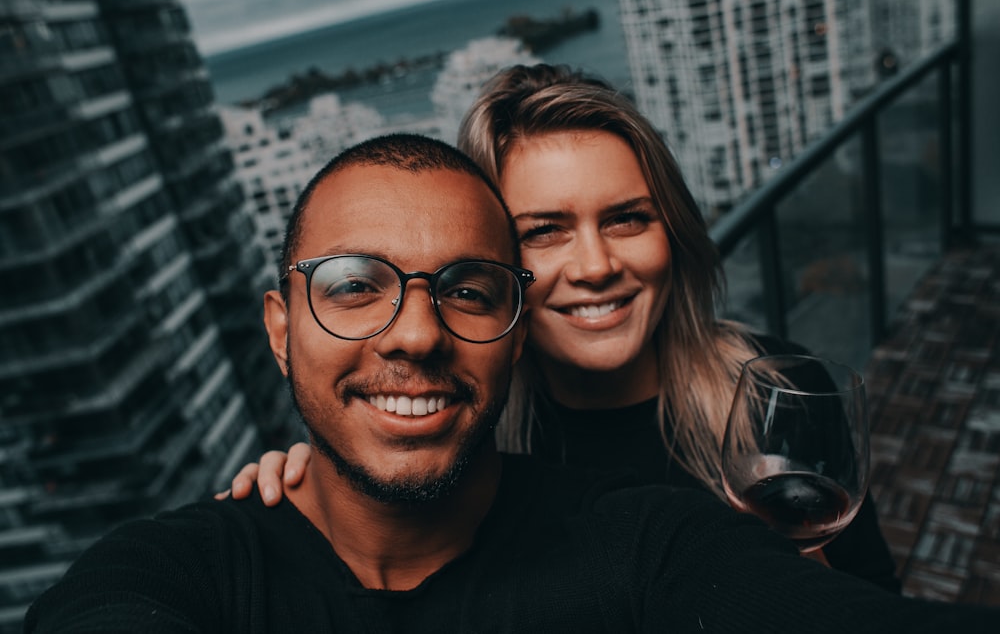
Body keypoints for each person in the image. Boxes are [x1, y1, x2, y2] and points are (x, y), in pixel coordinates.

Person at [24, 133, 1000, 632]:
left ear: (508, 322)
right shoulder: (179, 567)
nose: (414, 332)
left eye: (466, 287)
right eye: (355, 286)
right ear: (281, 330)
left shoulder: (641, 528)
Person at [225, 64, 899, 590]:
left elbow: (876, 598)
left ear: (674, 233)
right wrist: (343, 477)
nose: (597, 265)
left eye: (627, 218)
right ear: (487, 272)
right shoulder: (461, 451)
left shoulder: (784, 393)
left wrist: (796, 576)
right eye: (544, 231)